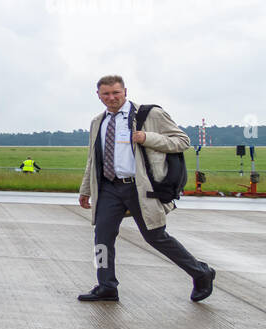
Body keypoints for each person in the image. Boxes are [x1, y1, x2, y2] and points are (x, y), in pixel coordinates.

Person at [78, 74, 214, 303]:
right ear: (99, 95)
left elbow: (182, 141)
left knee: (155, 237)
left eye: (116, 93)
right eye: (106, 94)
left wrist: (146, 138)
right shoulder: (97, 122)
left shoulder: (150, 115)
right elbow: (94, 159)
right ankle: (106, 285)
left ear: (125, 92)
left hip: (139, 188)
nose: (111, 98)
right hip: (109, 188)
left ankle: (201, 272)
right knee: (102, 238)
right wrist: (86, 190)